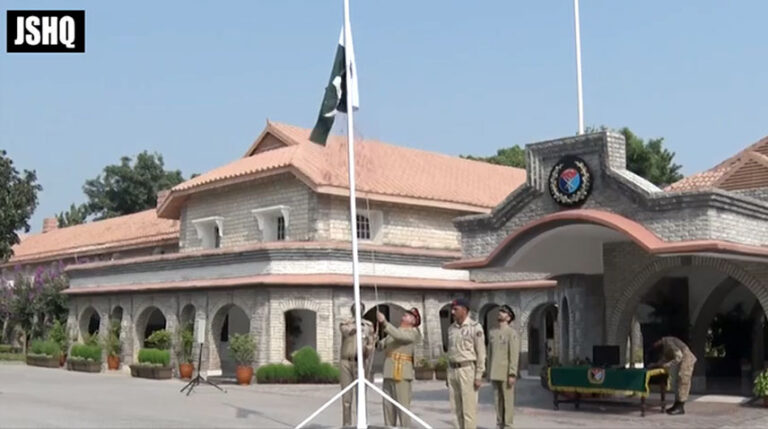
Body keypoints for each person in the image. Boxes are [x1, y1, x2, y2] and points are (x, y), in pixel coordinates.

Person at [376, 307, 422, 428]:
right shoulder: (394, 331)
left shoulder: (414, 332)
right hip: (389, 371)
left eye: (408, 315)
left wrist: (385, 322)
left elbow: (400, 337)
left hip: (402, 373)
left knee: (403, 408)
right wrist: (374, 337)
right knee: (388, 408)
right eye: (405, 314)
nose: (404, 316)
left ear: (413, 320)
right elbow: (382, 345)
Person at [447, 298, 486, 429]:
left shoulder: (475, 327)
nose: (453, 312)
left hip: (467, 369)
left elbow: (481, 353)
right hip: (453, 370)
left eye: (456, 309)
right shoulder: (451, 329)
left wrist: (479, 375)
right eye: (452, 309)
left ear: (464, 310)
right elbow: (450, 353)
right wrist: (448, 373)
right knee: (455, 408)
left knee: (468, 409)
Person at [339, 303, 376, 426]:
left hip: (360, 362)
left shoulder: (369, 325)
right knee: (346, 398)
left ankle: (362, 424)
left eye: (360, 309)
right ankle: (347, 425)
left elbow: (371, 343)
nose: (358, 311)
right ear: (352, 310)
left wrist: (369, 348)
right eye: (355, 309)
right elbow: (346, 332)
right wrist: (356, 326)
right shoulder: (346, 323)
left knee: (361, 397)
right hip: (346, 361)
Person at [488, 305, 520, 428]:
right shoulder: (493, 332)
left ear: (509, 317)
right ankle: (499, 423)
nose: (500, 313)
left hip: (506, 372)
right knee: (497, 401)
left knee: (508, 401)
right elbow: (490, 353)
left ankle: (508, 425)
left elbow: (514, 355)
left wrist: (512, 373)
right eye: (500, 311)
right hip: (495, 372)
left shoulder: (511, 333)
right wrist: (488, 370)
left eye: (503, 312)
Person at [649, 336, 697, 415]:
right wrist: (655, 365)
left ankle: (680, 407)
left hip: (687, 360)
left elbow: (678, 357)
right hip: (682, 361)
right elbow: (664, 359)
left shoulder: (668, 342)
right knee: (677, 383)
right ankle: (676, 405)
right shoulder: (664, 345)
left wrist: (665, 365)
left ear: (658, 341)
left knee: (683, 382)